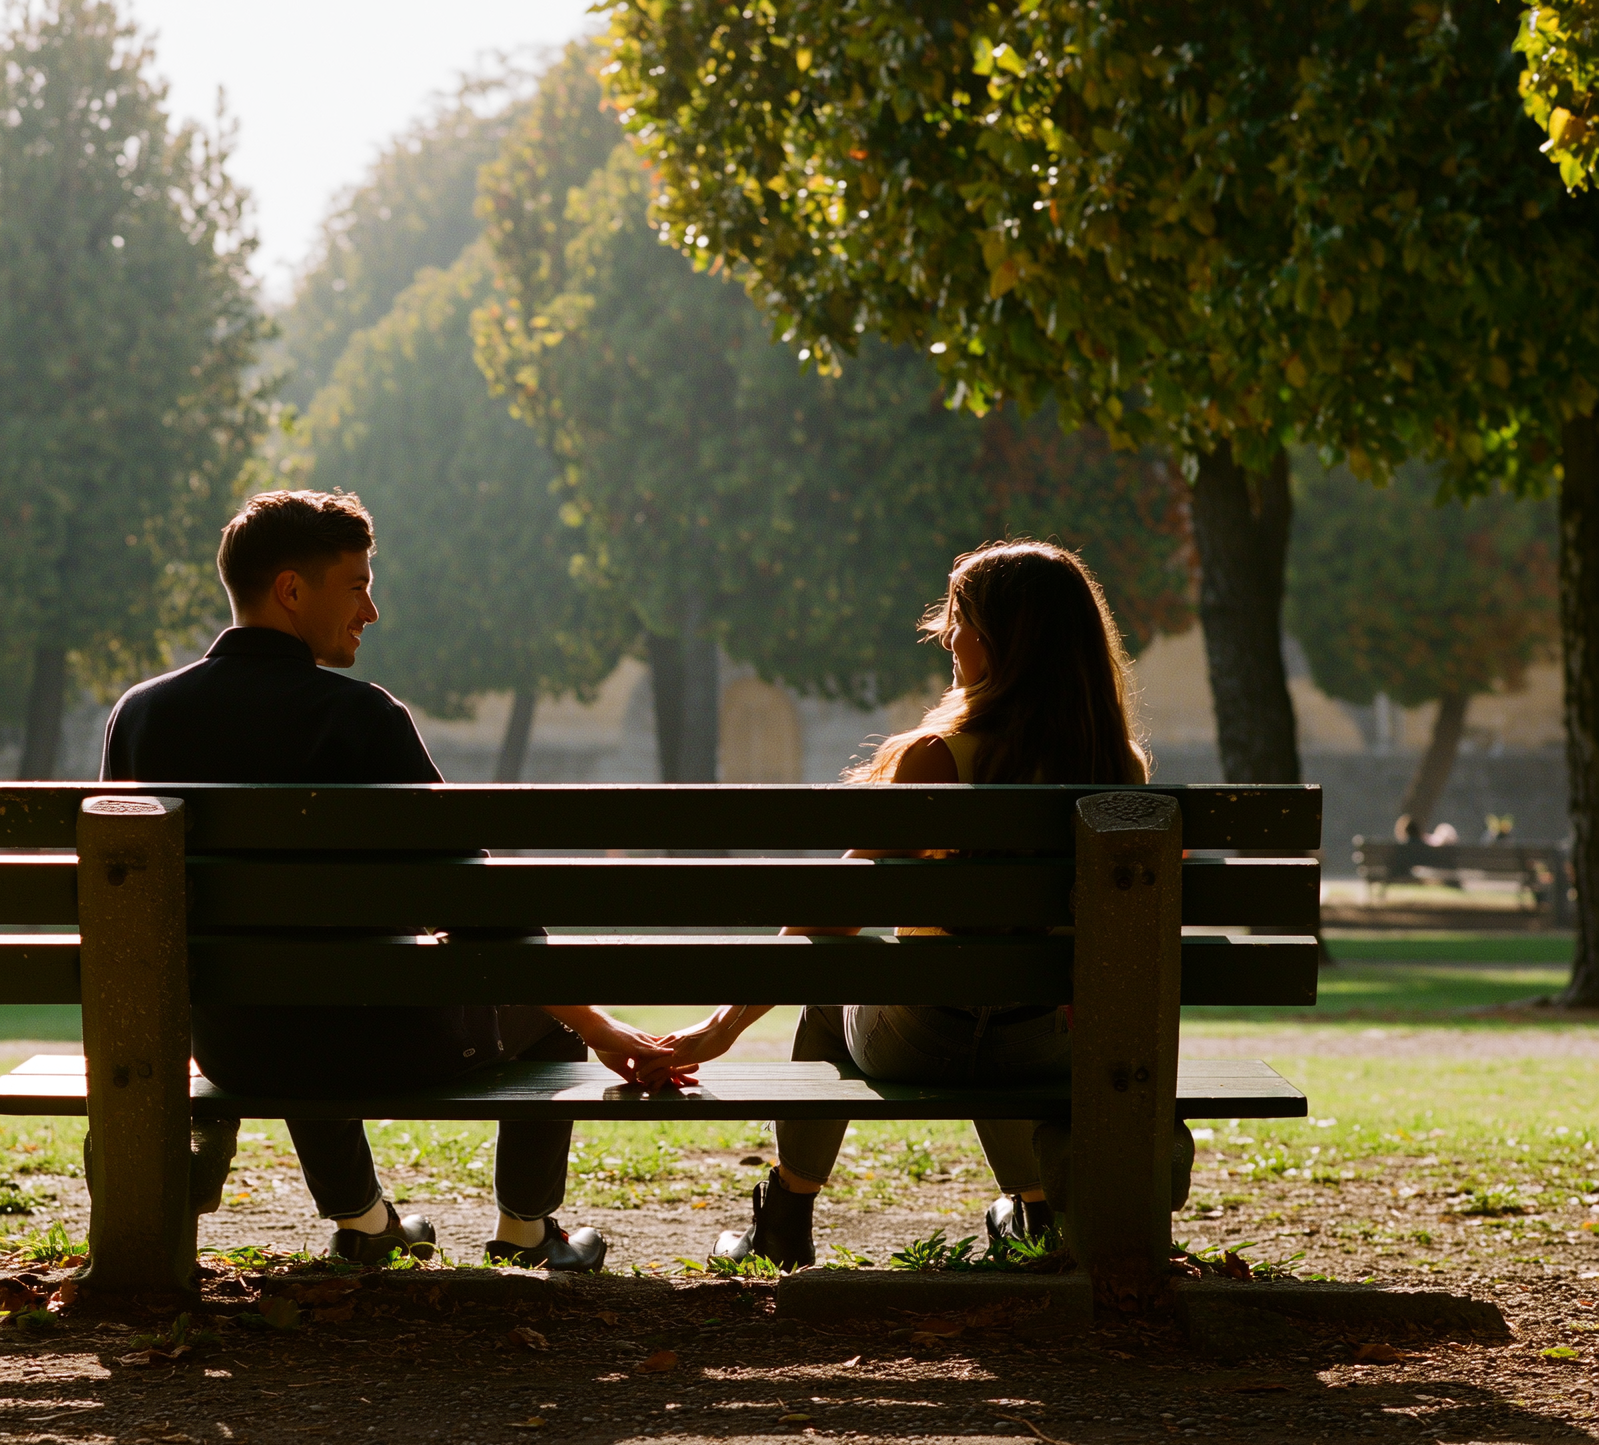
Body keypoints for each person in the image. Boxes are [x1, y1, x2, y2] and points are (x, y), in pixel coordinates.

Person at [100, 488, 674, 1271]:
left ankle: (366, 1224)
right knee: (549, 1021)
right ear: (292, 591)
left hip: (233, 1046)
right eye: (358, 585)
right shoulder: (361, 718)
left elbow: (126, 916)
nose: (372, 611)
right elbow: (480, 906)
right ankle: (528, 1232)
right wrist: (602, 1026)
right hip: (381, 1044)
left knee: (294, 984)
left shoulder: (140, 716)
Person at [656, 539, 1187, 1269]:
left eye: (959, 615)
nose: (945, 633)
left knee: (850, 984)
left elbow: (835, 911)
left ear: (1004, 638)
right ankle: (1032, 1213)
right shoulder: (1118, 766)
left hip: (920, 1041)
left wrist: (724, 1026)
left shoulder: (938, 757)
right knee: (1006, 997)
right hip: (1044, 1047)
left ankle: (786, 1215)